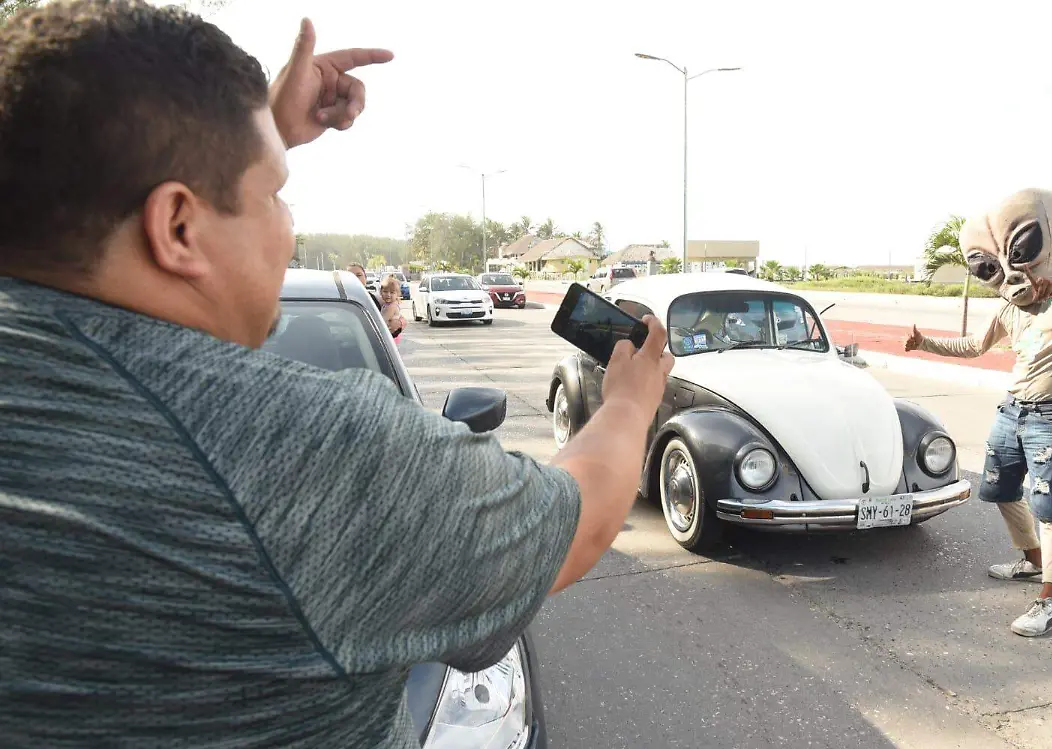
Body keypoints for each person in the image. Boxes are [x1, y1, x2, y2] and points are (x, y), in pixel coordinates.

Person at [0, 2, 673, 747]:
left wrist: (242, 132)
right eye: (275, 192)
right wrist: (630, 400)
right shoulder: (296, 453)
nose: (288, 227)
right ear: (179, 228)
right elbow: (578, 523)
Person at [905, 188, 1052, 637]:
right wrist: (925, 343)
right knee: (1001, 489)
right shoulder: (1009, 307)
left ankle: (1051, 599)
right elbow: (974, 345)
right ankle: (1031, 561)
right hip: (1013, 410)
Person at [379, 274, 406, 340]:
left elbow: (384, 321)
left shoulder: (392, 306)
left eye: (392, 292)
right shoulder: (387, 304)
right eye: (385, 291)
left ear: (397, 294)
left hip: (391, 335)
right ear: (380, 292)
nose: (388, 295)